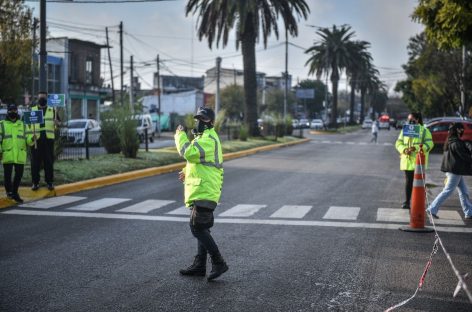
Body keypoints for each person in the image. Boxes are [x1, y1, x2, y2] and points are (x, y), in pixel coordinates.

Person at [174, 107, 228, 281]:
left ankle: (219, 262)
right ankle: (200, 265)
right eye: (198, 118)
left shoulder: (208, 138)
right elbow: (200, 162)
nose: (199, 122)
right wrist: (186, 172)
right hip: (203, 189)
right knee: (202, 228)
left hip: (206, 190)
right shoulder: (204, 138)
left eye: (203, 119)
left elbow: (188, 153)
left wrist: (179, 135)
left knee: (196, 227)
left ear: (211, 122)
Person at [427, 123, 472, 219]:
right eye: (461, 129)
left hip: (454, 170)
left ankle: (469, 212)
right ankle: (431, 209)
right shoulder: (456, 142)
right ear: (458, 130)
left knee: (464, 192)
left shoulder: (450, 140)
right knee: (447, 191)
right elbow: (464, 156)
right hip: (454, 171)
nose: (463, 131)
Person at [395, 112, 434, 209]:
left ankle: (419, 201)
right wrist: (404, 149)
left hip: (419, 161)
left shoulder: (424, 131)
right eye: (408, 120)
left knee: (418, 183)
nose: (409, 121)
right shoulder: (405, 130)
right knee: (409, 181)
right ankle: (407, 202)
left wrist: (415, 148)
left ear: (417, 119)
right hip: (407, 160)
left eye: (412, 119)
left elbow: (429, 144)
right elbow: (398, 142)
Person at [0, 104, 35, 203]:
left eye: (14, 110)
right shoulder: (2, 124)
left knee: (18, 176)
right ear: (8, 112)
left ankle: (15, 192)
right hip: (8, 154)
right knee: (7, 176)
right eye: (11, 110)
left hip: (20, 155)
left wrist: (32, 139)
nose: (13, 112)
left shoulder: (23, 125)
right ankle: (9, 192)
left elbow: (28, 139)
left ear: (17, 111)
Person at [29, 91, 56, 191]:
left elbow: (59, 123)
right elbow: (26, 124)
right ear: (37, 98)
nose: (42, 99)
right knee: (35, 163)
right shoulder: (32, 110)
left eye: (44, 98)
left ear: (47, 99)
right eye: (40, 98)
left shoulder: (52, 110)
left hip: (48, 140)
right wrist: (31, 137)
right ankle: (35, 183)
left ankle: (50, 182)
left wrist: (56, 122)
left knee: (48, 162)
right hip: (36, 140)